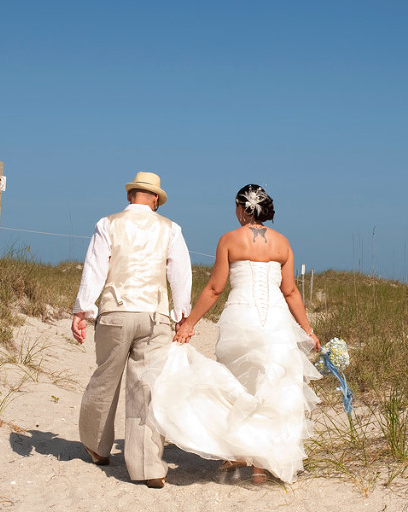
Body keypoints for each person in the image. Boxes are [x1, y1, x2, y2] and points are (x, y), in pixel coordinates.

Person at [151, 184, 321, 484]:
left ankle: (240, 452)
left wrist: (190, 322)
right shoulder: (282, 243)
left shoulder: (229, 240)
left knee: (239, 384)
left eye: (235, 206)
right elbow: (291, 291)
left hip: (241, 317)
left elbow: (215, 288)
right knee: (274, 385)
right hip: (276, 321)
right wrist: (307, 330)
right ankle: (258, 467)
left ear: (243, 208)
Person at [71, 171, 192, 489]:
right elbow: (180, 273)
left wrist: (83, 309)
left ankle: (98, 447)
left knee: (105, 379)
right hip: (154, 317)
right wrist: (182, 314)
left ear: (130, 196)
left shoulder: (107, 223)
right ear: (155, 200)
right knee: (146, 389)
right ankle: (148, 467)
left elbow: (95, 268)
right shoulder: (171, 228)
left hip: (115, 312)